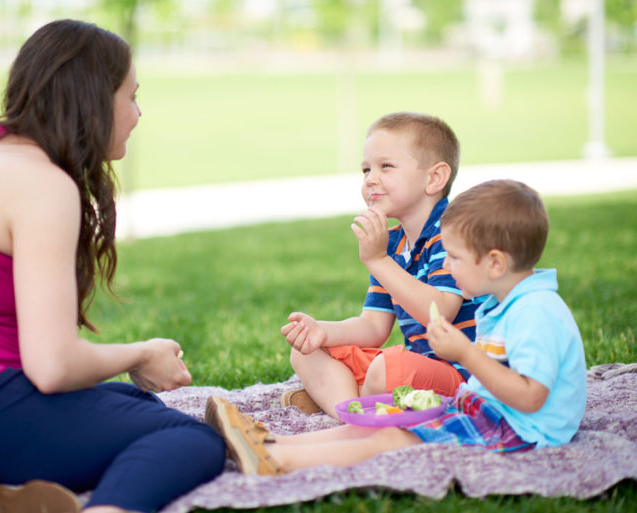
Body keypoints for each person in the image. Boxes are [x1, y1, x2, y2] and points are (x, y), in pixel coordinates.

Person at [0, 20, 225, 513]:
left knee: (134, 407)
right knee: (187, 438)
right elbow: (53, 367)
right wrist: (140, 353)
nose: (138, 113)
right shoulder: (42, 183)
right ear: (94, 98)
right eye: (132, 96)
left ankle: (1, 495)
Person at [206, 179, 587, 475]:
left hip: (522, 432)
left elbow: (531, 397)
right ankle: (272, 443)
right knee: (389, 420)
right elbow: (373, 326)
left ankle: (279, 462)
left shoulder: (536, 312)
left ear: (495, 264)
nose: (449, 267)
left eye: (455, 258)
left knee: (393, 438)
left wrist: (466, 354)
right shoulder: (503, 304)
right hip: (488, 411)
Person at [280, 112, 482, 418]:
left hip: (464, 378)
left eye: (385, 166)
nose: (370, 178)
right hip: (416, 371)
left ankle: (352, 404)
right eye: (366, 169)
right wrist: (322, 331)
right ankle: (353, 412)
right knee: (306, 351)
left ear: (434, 178)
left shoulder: (453, 232)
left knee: (387, 369)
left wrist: (378, 261)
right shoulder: (391, 243)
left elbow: (440, 312)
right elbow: (374, 327)